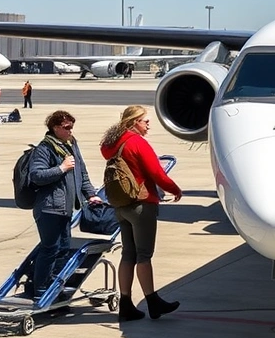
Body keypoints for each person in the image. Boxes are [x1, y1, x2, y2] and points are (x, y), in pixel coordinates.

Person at [99, 105, 183, 323]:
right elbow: (156, 173)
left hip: (121, 205)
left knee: (128, 254)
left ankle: (125, 304)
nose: (148, 125)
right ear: (134, 122)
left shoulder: (112, 144)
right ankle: (153, 301)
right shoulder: (137, 142)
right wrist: (175, 189)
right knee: (144, 256)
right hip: (141, 204)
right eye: (145, 121)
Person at [28, 110, 101, 298]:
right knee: (50, 248)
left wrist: (90, 194)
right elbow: (36, 176)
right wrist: (61, 168)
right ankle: (40, 289)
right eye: (66, 127)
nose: (70, 131)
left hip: (65, 209)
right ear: (55, 127)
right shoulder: (45, 148)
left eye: (72, 127)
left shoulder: (71, 144)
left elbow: (82, 172)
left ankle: (54, 287)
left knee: (63, 249)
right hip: (49, 208)